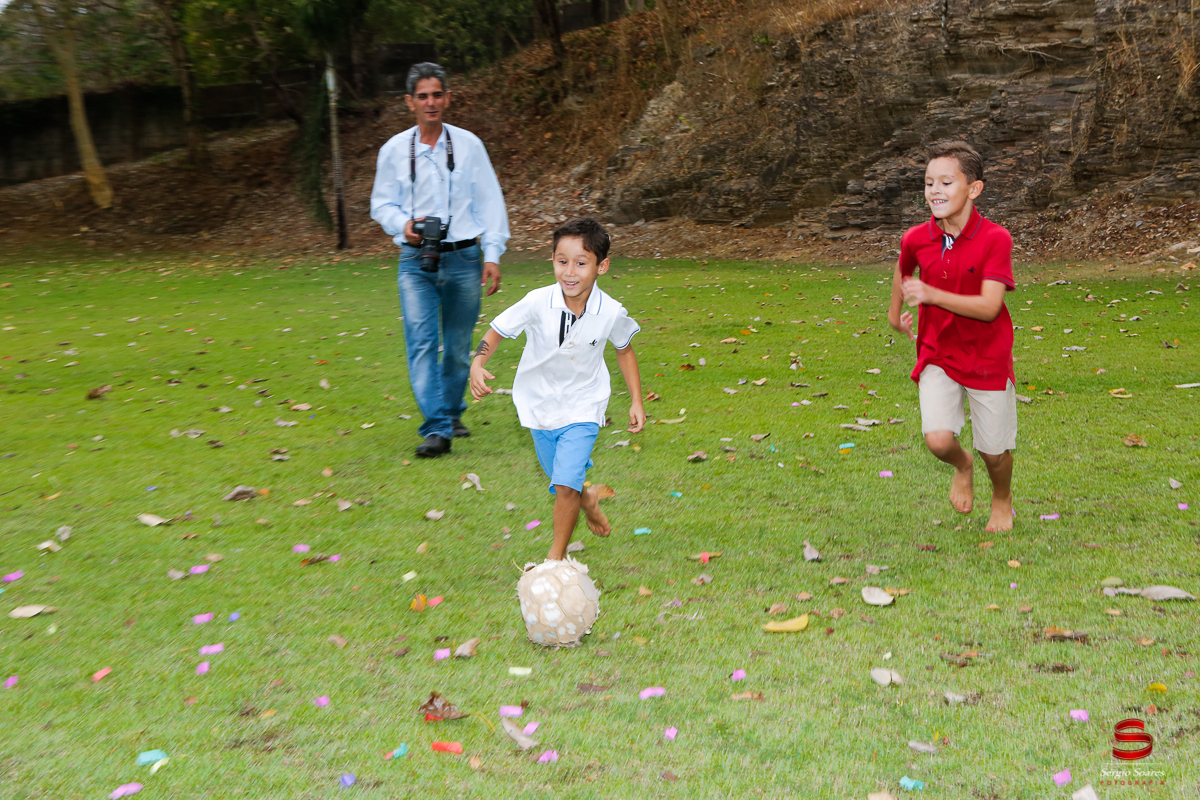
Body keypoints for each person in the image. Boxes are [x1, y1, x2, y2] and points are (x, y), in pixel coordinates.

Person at [470, 218, 646, 560]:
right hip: (539, 405)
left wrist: (636, 401)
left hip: (584, 405)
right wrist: (477, 363)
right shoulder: (538, 302)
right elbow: (496, 332)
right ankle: (589, 499)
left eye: (581, 263)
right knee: (565, 481)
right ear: (552, 259)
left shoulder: (610, 311)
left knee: (565, 486)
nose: (570, 272)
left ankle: (555, 560)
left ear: (601, 266)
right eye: (561, 261)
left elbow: (624, 350)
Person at [370, 62, 510, 458]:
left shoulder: (468, 145)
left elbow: (490, 201)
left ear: (447, 98)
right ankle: (437, 427)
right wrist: (404, 223)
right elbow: (381, 204)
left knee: (458, 347)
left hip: (464, 256)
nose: (430, 103)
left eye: (437, 95)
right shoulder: (395, 150)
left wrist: (493, 254)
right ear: (409, 102)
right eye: (422, 96)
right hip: (415, 262)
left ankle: (450, 412)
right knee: (421, 343)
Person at [887, 141, 1017, 533]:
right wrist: (895, 317)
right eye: (929, 183)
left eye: (946, 181)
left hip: (987, 356)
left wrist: (932, 294)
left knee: (994, 452)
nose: (935, 191)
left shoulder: (996, 239)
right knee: (939, 441)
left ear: (973, 189)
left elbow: (990, 306)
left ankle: (1001, 496)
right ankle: (963, 465)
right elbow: (903, 270)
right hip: (937, 351)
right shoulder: (916, 238)